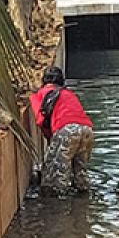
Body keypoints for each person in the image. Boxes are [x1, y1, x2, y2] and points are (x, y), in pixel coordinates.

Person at [30, 65, 93, 196]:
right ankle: (83, 204)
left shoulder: (39, 94)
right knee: (80, 174)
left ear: (44, 81)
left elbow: (40, 120)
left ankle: (58, 211)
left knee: (54, 177)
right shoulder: (69, 93)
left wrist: (50, 138)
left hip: (66, 130)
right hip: (87, 130)